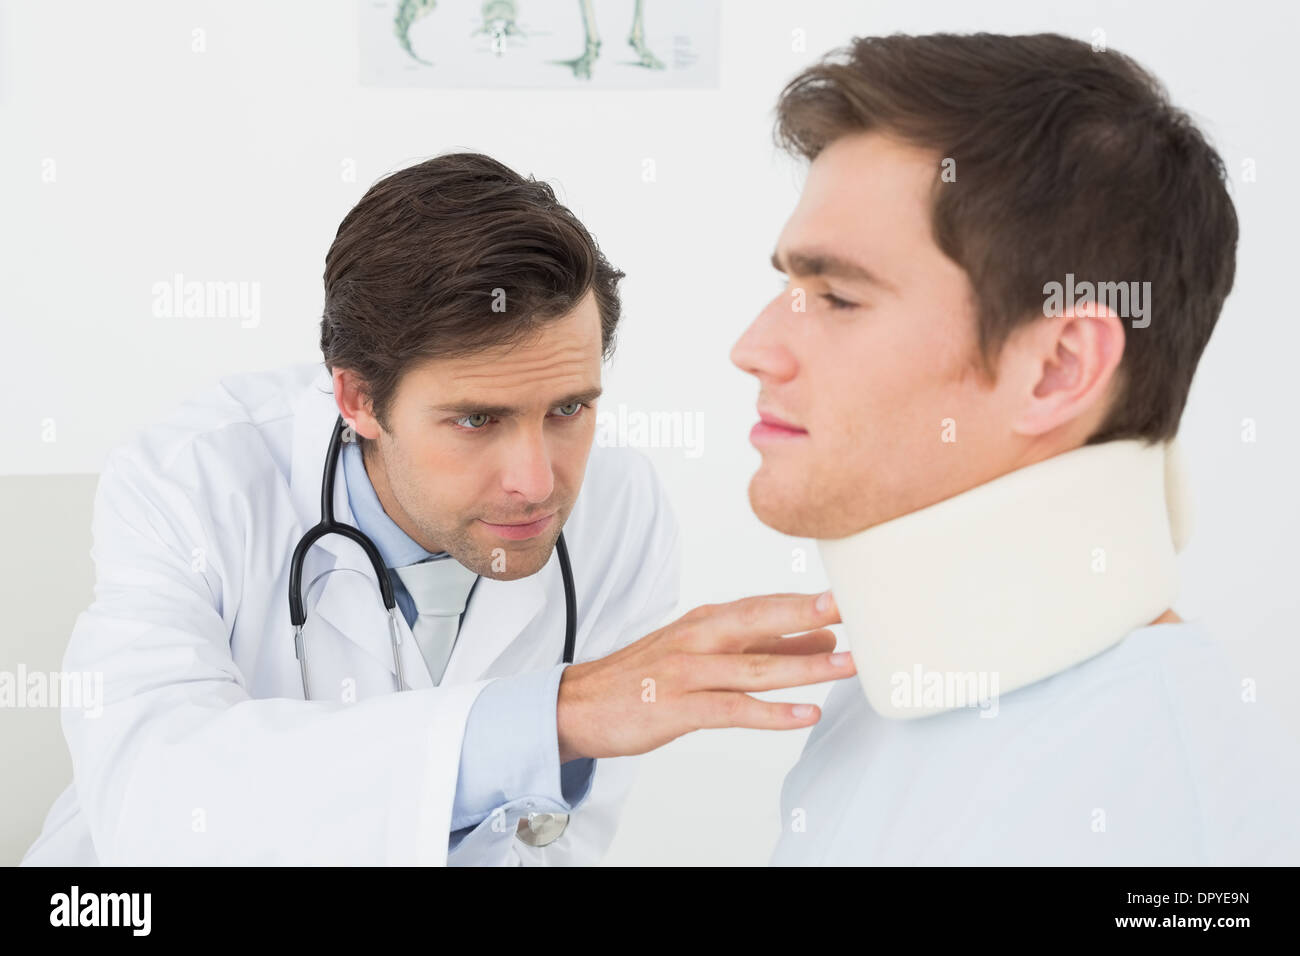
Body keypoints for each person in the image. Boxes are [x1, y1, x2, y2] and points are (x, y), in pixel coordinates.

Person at [23, 152, 849, 866]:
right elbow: (157, 797)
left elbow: (552, 842)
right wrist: (549, 717)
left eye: (568, 409)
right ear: (357, 398)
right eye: (477, 420)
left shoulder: (620, 512)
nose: (535, 482)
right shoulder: (192, 480)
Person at [730, 33, 1299, 865]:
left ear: (1059, 368)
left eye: (839, 297)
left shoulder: (1170, 817)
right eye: (786, 287)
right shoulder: (893, 701)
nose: (754, 347)